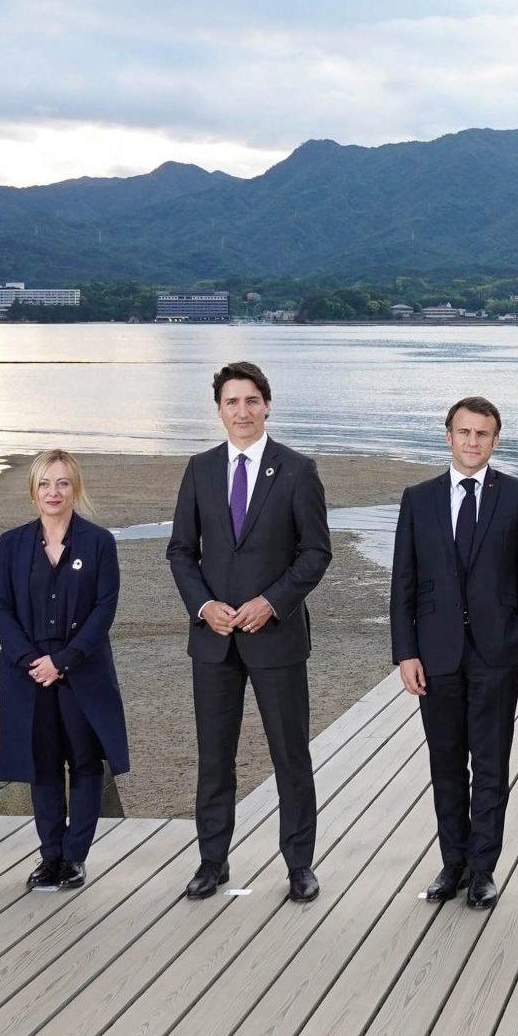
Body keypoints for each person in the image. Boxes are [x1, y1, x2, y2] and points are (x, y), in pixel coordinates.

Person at [167, 362, 332, 903]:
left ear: (267, 405)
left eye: (252, 400)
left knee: (290, 756)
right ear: (218, 409)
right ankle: (212, 862)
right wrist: (203, 606)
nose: (242, 411)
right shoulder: (199, 469)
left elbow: (315, 553)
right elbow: (181, 552)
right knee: (215, 757)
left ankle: (300, 865)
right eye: (232, 402)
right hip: (213, 641)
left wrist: (272, 602)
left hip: (276, 638)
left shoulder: (297, 470)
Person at [391, 396, 518, 909]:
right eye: (464, 432)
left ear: (495, 440)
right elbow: (403, 585)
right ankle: (451, 862)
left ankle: (483, 868)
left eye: (482, 434)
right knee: (446, 763)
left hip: (497, 653)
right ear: (449, 435)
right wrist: (405, 653)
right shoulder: (418, 498)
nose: (472, 441)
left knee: (492, 763)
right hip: (436, 655)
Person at [0, 450, 130, 891]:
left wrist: (63, 661)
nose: (54, 492)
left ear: (76, 489)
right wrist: (30, 661)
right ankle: (49, 856)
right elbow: (0, 605)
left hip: (81, 670)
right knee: (43, 765)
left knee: (86, 764)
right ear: (33, 490)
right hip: (28, 672)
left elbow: (104, 609)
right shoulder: (11, 544)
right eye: (46, 484)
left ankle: (74, 858)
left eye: (63, 483)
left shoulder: (99, 543)